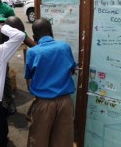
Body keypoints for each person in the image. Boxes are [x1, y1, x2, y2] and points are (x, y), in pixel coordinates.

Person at [24, 18, 77, 147]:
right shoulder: (64, 47)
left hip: (43, 103)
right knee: (63, 141)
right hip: (65, 102)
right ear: (51, 32)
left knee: (38, 141)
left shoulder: (32, 52)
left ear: (34, 36)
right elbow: (72, 70)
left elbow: (28, 78)